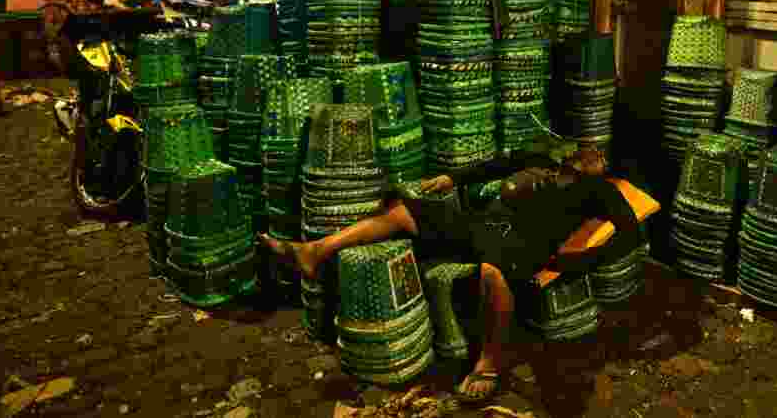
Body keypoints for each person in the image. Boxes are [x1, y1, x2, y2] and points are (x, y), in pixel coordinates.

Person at [261, 147, 639, 404]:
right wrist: (451, 178)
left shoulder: (599, 191)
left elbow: (630, 233)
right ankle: (315, 251)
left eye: (600, 155)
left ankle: (489, 363)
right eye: (588, 150)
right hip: (485, 222)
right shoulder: (539, 159)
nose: (593, 153)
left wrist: (584, 260)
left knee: (494, 272)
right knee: (404, 214)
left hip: (527, 243)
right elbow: (495, 166)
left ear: (603, 168)